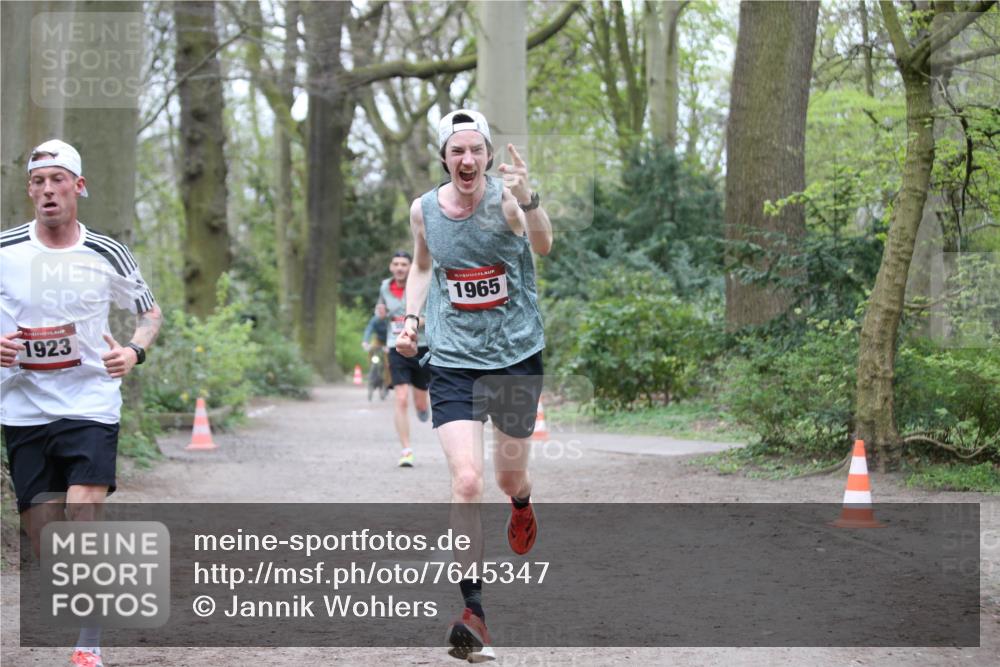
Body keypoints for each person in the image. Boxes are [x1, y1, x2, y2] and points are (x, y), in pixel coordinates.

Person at [396, 109, 552, 661]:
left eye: (476, 150)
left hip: (514, 356)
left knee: (510, 477)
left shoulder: (506, 201)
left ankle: (523, 501)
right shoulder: (424, 211)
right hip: (454, 360)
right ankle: (474, 612)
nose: (467, 160)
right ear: (444, 156)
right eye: (457, 151)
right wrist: (412, 320)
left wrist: (529, 197)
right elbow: (421, 268)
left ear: (488, 154)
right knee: (466, 481)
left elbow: (545, 244)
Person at [1, 139, 163, 667]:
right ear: (30, 190)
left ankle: (88, 641)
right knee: (45, 530)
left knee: (81, 505)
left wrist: (135, 351)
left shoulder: (107, 252)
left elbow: (150, 313)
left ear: (79, 187)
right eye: (38, 182)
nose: (47, 190)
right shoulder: (4, 250)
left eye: (58, 180)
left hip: (90, 399)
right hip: (22, 405)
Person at [374, 251, 431, 467]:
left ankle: (423, 407)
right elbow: (381, 310)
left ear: (410, 267)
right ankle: (406, 449)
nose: (399, 268)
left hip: (421, 345)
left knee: (419, 400)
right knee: (400, 397)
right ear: (391, 267)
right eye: (396, 264)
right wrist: (380, 312)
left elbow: (432, 313)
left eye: (404, 264)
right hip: (395, 345)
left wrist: (413, 324)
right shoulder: (384, 287)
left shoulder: (421, 285)